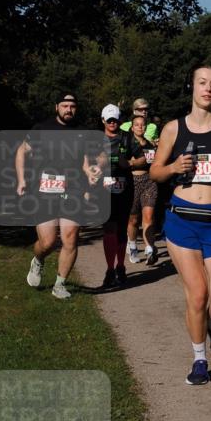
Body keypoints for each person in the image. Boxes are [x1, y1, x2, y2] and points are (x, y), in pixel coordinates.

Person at [150, 64, 211, 386]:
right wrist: (174, 166)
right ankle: (199, 359)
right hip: (183, 219)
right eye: (202, 83)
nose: (208, 89)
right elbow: (155, 173)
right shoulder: (173, 130)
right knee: (198, 294)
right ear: (191, 86)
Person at [15, 92, 89, 300]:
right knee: (48, 242)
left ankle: (60, 284)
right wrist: (21, 180)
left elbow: (85, 160)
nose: (69, 109)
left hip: (73, 189)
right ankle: (38, 260)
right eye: (64, 105)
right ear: (56, 107)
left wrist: (90, 174)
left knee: (70, 237)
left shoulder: (82, 132)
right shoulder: (41, 128)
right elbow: (22, 151)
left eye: (72, 106)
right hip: (45, 189)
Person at [86, 104, 140, 289]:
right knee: (108, 227)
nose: (112, 123)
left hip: (124, 187)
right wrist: (93, 171)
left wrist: (130, 163)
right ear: (103, 120)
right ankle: (110, 269)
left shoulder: (127, 137)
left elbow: (143, 157)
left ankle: (121, 266)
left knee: (121, 228)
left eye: (115, 120)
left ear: (119, 120)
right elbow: (86, 162)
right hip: (104, 188)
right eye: (109, 120)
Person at [127, 113, 159, 265]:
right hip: (132, 182)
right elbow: (124, 162)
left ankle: (149, 249)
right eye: (137, 124)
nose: (140, 127)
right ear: (132, 127)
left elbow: (154, 163)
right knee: (133, 219)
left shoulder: (150, 145)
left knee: (148, 216)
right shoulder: (127, 143)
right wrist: (133, 163)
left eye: (142, 124)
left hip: (149, 181)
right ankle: (132, 246)